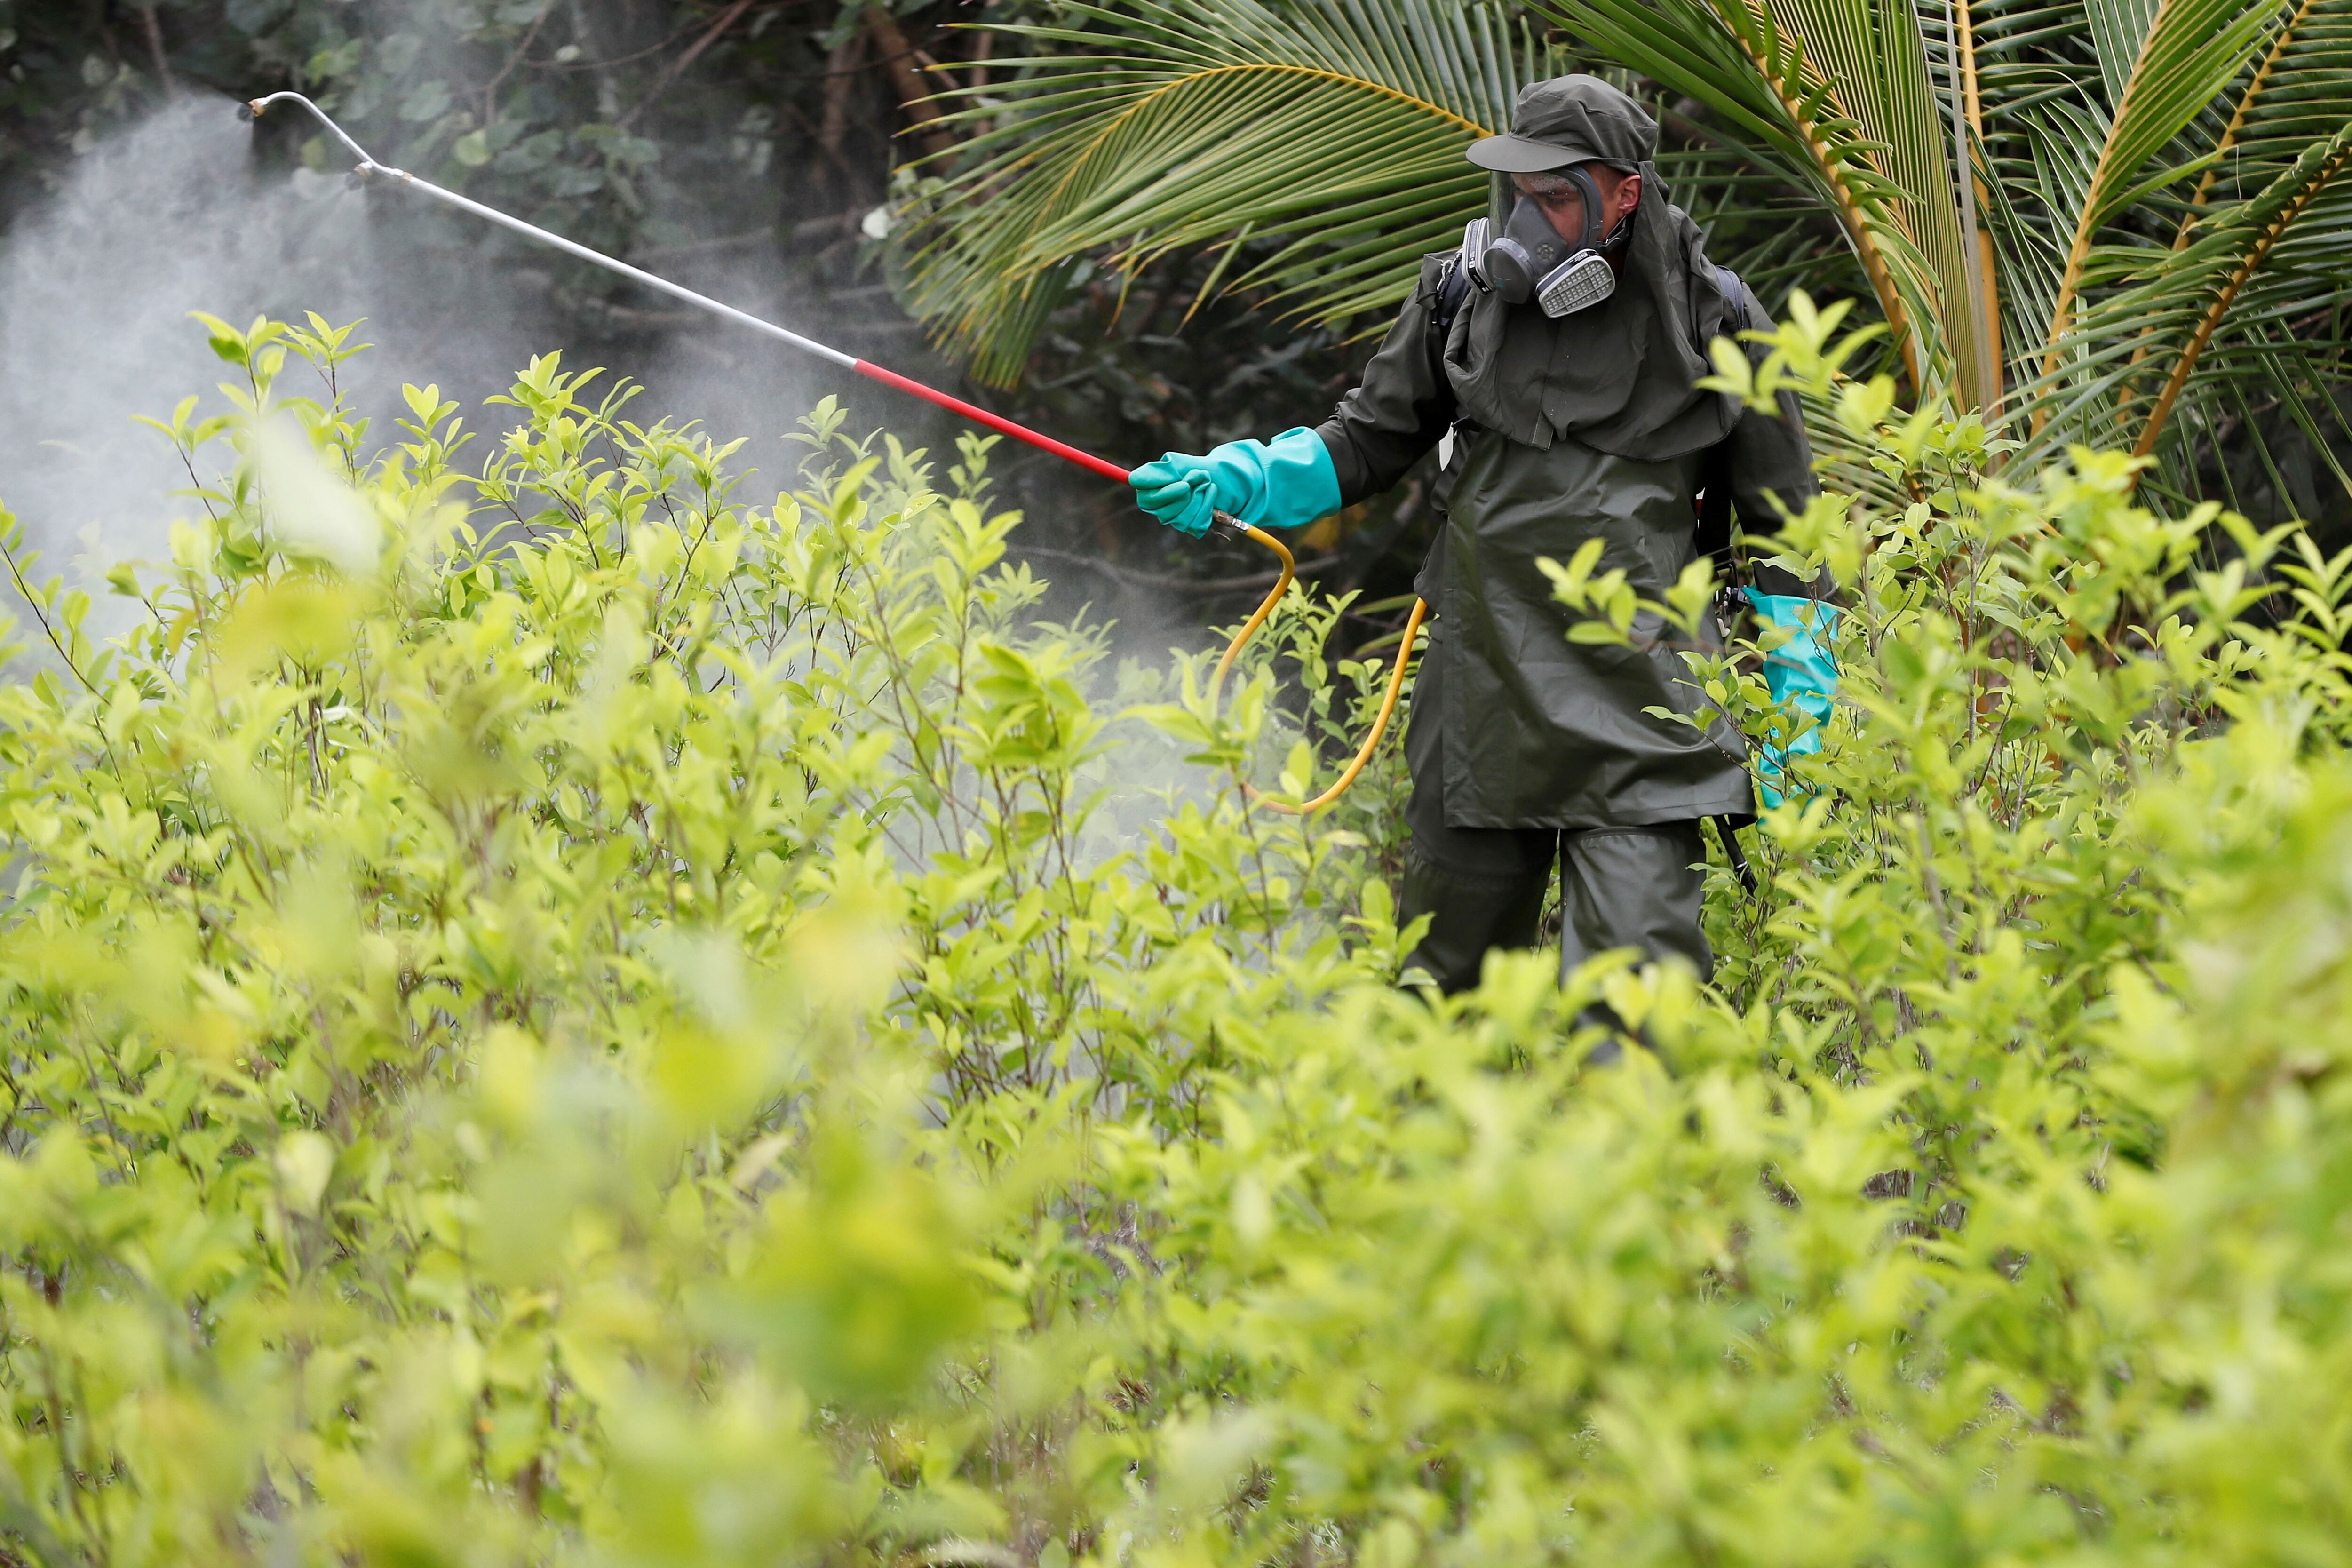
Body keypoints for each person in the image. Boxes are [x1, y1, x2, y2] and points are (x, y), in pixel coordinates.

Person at [1129, 74, 1837, 999]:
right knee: (1438, 1010)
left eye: (1557, 197)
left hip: (1647, 722)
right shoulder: (1459, 296)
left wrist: (1799, 734)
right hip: (1481, 708)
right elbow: (1366, 441)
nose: (1531, 221)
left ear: (1624, 192)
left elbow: (1789, 533)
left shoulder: (1718, 319)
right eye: (1521, 193)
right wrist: (1241, 478)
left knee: (1641, 1015)